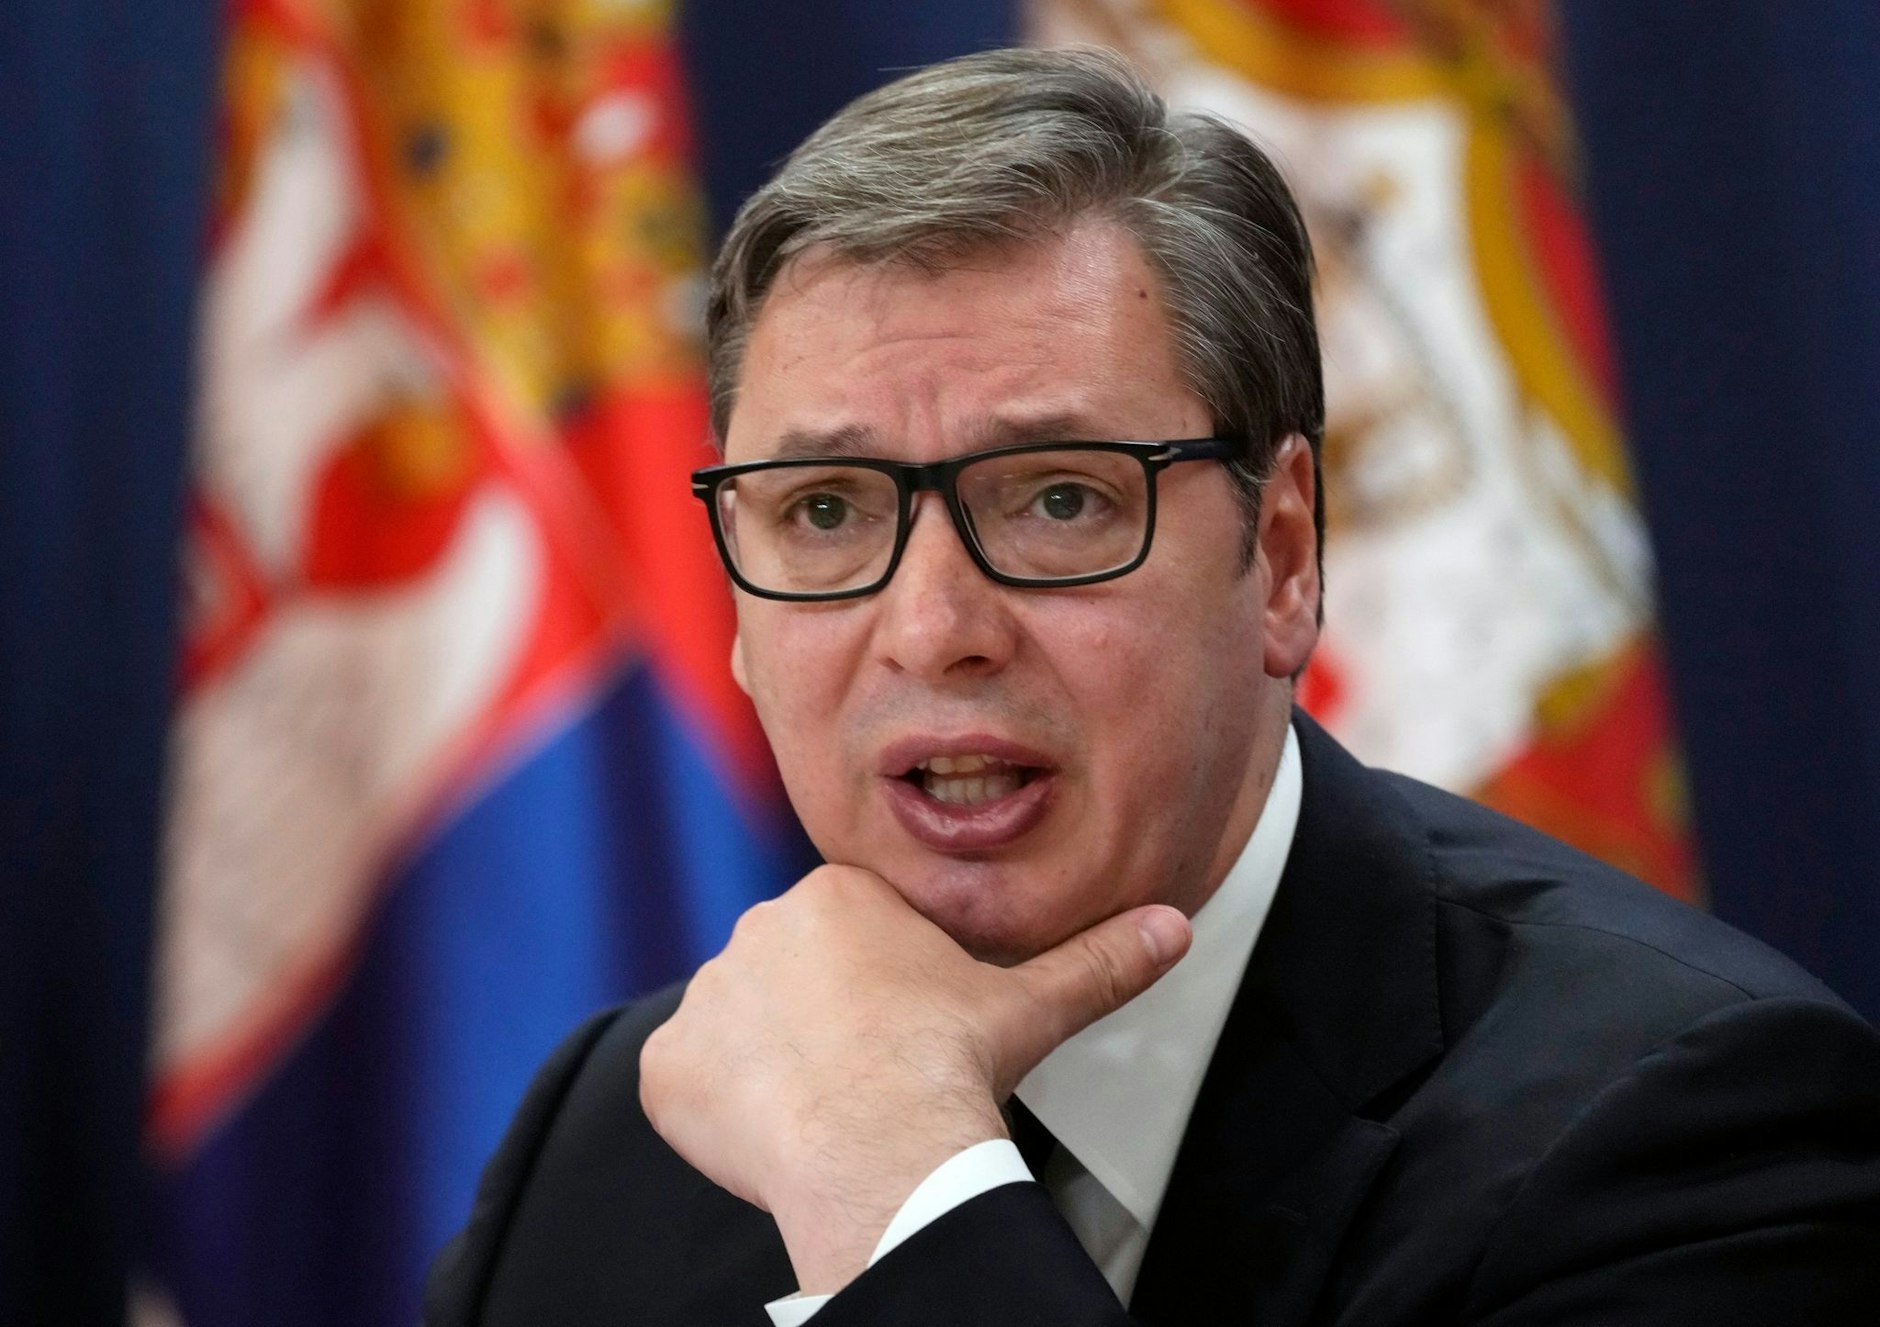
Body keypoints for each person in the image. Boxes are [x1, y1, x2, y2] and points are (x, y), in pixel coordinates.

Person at [424, 46, 1880, 1326]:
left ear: (1284, 556)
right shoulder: (612, 1139)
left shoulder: (1678, 1134)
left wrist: (901, 1193)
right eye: (825, 511)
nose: (932, 629)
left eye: (1060, 499)